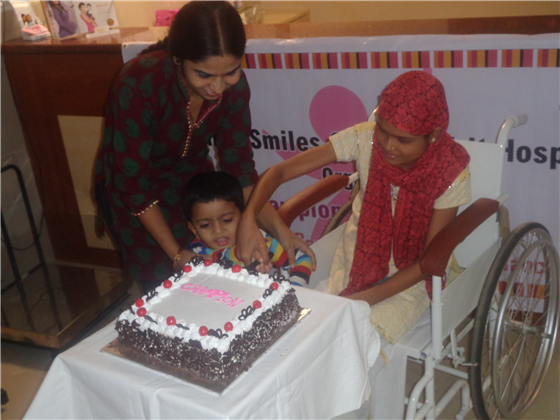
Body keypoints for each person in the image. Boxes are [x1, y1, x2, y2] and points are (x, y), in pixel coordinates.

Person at [94, 0, 312, 293]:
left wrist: (282, 233)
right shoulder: (139, 83)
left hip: (194, 187)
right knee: (163, 287)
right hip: (137, 198)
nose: (218, 88)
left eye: (230, 72)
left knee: (216, 280)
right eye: (204, 75)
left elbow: (240, 170)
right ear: (178, 59)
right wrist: (176, 254)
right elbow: (132, 181)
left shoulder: (235, 88)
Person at [238, 71, 471, 343]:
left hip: (413, 277)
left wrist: (361, 300)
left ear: (434, 135)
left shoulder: (451, 171)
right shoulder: (365, 139)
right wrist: (248, 218)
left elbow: (427, 262)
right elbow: (278, 173)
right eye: (383, 130)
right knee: (313, 333)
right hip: (359, 256)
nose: (388, 146)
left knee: (358, 338)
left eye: (403, 140)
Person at [183, 172, 312, 286]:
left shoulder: (261, 243)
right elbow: (219, 259)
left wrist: (293, 288)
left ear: (244, 218)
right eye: (205, 225)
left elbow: (301, 259)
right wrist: (237, 255)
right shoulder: (197, 253)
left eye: (227, 220)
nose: (218, 230)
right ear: (194, 229)